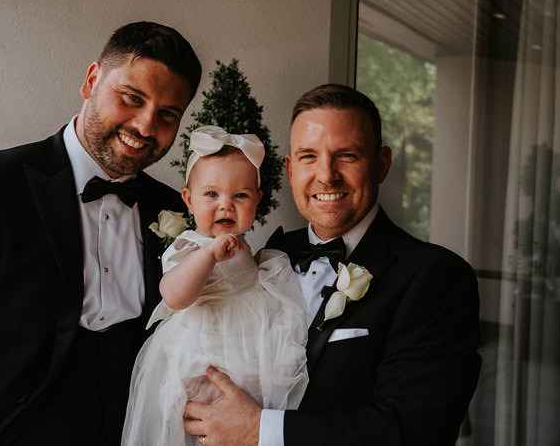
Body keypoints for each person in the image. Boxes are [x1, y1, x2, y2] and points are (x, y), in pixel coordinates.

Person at [0, 21, 201, 445]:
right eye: (131, 98)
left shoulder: (174, 208)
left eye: (167, 114)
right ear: (92, 80)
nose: (145, 126)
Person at [183, 84, 481, 445]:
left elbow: (415, 429)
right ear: (291, 170)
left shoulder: (436, 276)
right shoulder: (268, 255)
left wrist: (259, 430)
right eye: (309, 156)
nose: (326, 175)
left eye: (348, 156)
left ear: (382, 164)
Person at [122, 126, 309, 446]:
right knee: (197, 428)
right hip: (203, 359)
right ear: (189, 200)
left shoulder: (247, 247)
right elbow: (174, 296)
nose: (226, 204)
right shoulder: (189, 245)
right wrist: (207, 255)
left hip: (250, 359)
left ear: (257, 201)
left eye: (240, 195)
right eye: (211, 194)